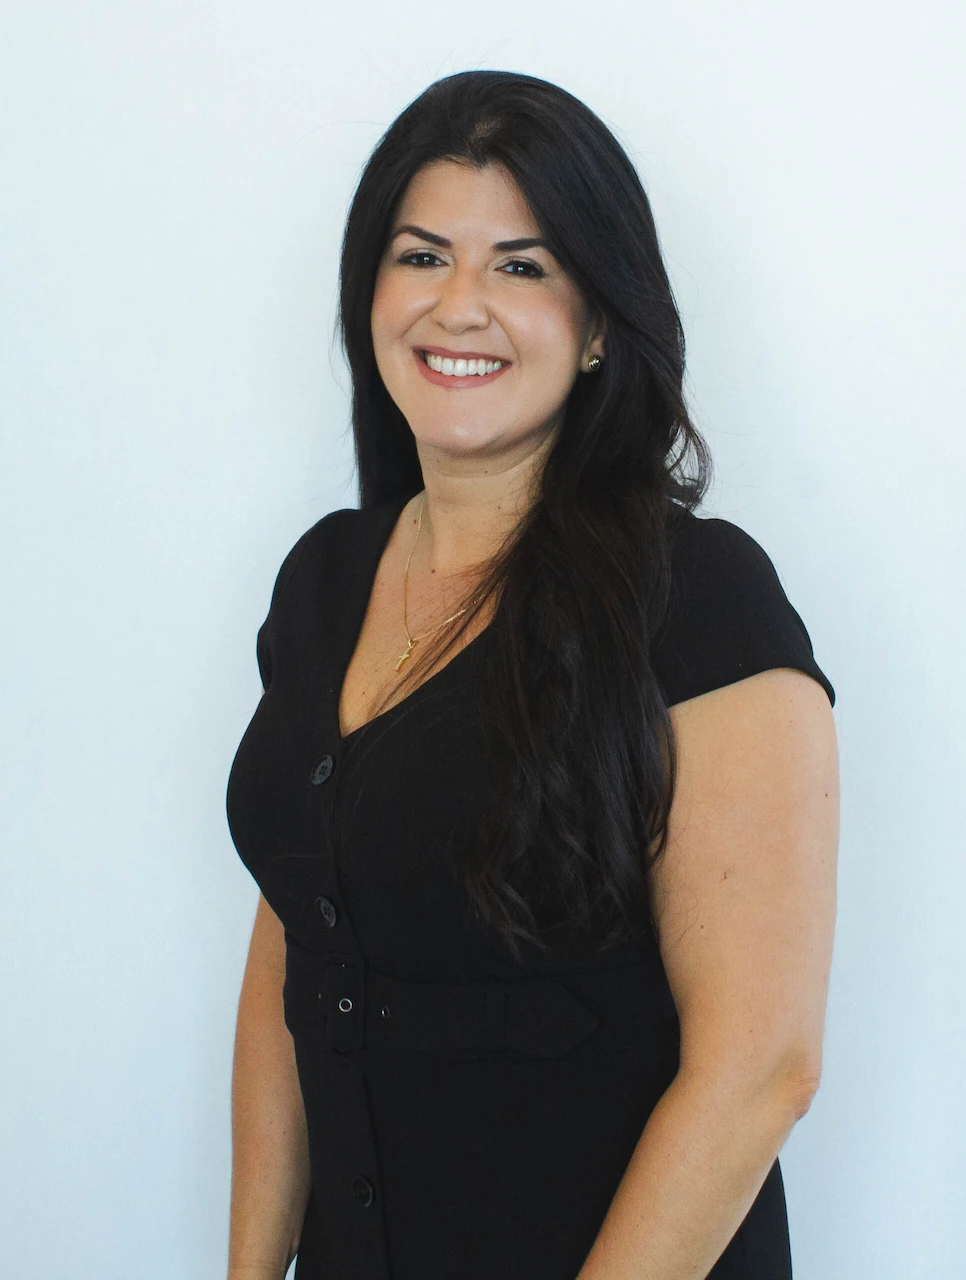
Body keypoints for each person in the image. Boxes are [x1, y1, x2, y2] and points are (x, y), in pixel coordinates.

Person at [225, 70, 839, 1280]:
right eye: (421, 256)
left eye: (521, 264)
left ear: (602, 322)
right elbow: (298, 945)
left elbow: (762, 1064)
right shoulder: (323, 582)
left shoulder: (698, 600)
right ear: (369, 296)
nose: (461, 305)